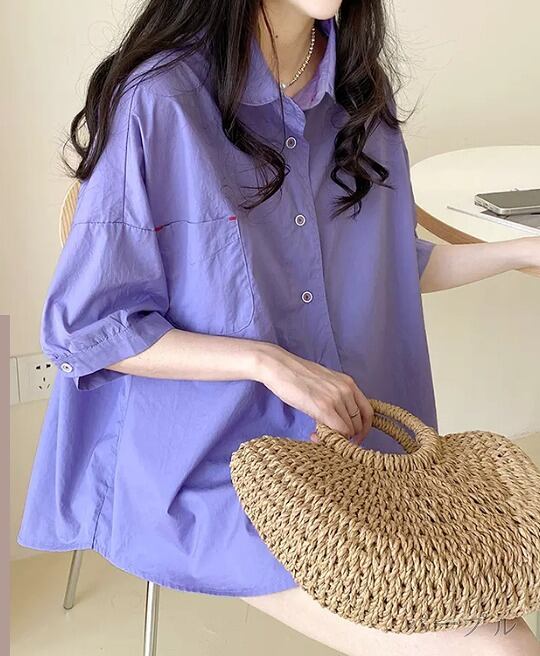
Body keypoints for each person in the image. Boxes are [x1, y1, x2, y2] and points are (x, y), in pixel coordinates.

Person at [17, 0, 540, 654]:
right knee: (498, 645)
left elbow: (387, 264)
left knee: (493, 606)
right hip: (208, 462)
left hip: (347, 453)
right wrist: (267, 362)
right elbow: (92, 325)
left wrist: (518, 251)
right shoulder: (161, 100)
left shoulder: (359, 93)